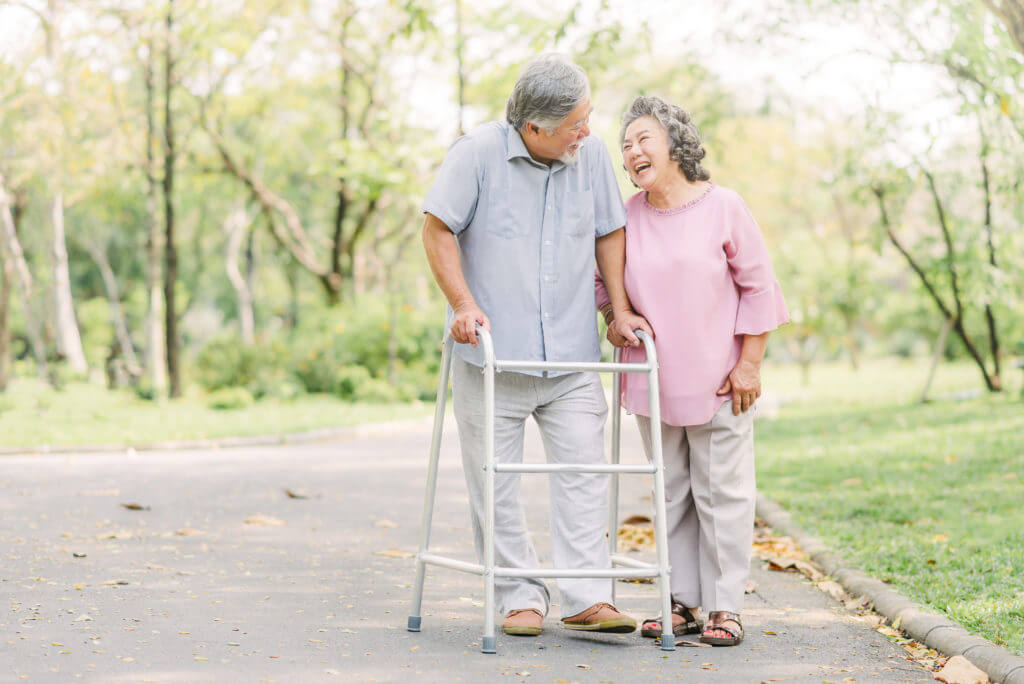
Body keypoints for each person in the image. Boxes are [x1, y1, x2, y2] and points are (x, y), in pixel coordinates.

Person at [421, 54, 650, 638]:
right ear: (534, 129)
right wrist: (462, 304)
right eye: (576, 123)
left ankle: (588, 597)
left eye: (588, 117)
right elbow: (437, 228)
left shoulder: (590, 156)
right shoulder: (474, 154)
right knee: (494, 482)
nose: (589, 132)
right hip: (494, 357)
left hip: (571, 355)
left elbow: (609, 230)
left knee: (584, 471)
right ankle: (518, 595)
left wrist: (618, 310)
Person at [596, 95, 790, 647]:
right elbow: (603, 285)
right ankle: (680, 601)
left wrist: (751, 363)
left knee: (722, 493)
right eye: (626, 145)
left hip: (721, 380)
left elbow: (759, 288)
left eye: (643, 140)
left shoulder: (724, 205)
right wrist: (616, 315)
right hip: (652, 378)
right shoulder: (625, 216)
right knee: (670, 492)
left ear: (675, 144)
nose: (632, 152)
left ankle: (725, 607)